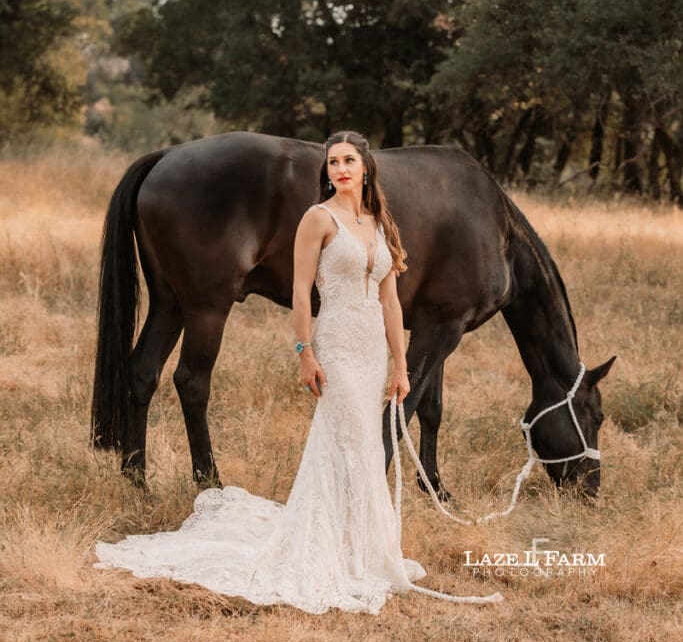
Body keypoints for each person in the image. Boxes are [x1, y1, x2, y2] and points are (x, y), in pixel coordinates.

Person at [95, 131, 498, 612]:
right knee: (343, 436)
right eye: (333, 163)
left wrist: (402, 364)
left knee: (364, 442)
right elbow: (303, 290)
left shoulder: (380, 223)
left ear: (366, 167)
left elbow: (391, 298)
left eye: (349, 161)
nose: (341, 169)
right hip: (337, 345)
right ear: (325, 170)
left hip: (370, 347)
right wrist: (305, 351)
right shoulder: (316, 218)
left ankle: (362, 545)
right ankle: (324, 543)